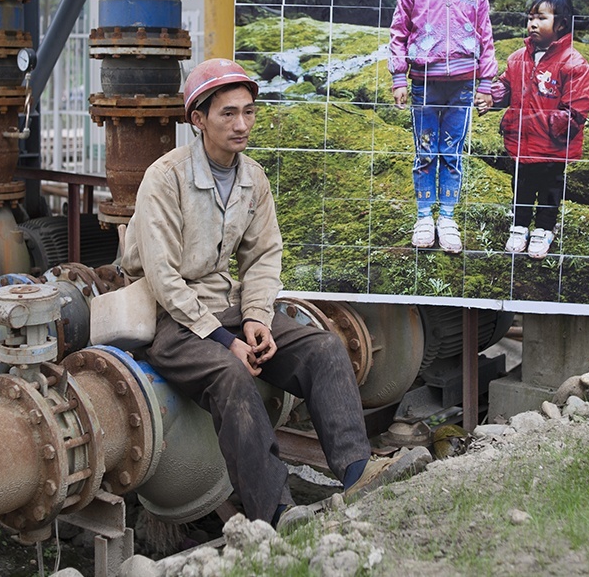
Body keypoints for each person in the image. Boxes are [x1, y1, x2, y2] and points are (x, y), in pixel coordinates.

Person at [121, 58, 431, 531]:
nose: (241, 124)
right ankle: (276, 512)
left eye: (248, 111)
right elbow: (163, 280)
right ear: (198, 120)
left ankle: (356, 470)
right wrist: (228, 344)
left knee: (324, 348)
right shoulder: (165, 179)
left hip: (227, 307)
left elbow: (264, 257)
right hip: (171, 319)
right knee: (232, 377)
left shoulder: (253, 179)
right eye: (228, 113)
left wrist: (256, 321)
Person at [389, 0, 498, 254]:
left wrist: (487, 84)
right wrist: (398, 77)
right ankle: (424, 216)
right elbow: (398, 33)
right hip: (424, 84)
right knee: (425, 151)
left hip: (464, 86)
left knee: (452, 153)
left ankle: (447, 218)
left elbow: (486, 39)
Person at [489, 0, 589, 260]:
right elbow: (506, 85)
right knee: (521, 185)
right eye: (530, 18)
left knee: (550, 187)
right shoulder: (517, 58)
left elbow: (578, 106)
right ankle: (520, 225)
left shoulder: (574, 63)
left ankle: (545, 229)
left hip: (551, 145)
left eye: (541, 18)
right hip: (521, 141)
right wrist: (493, 95)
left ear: (560, 24)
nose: (533, 24)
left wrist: (548, 124)